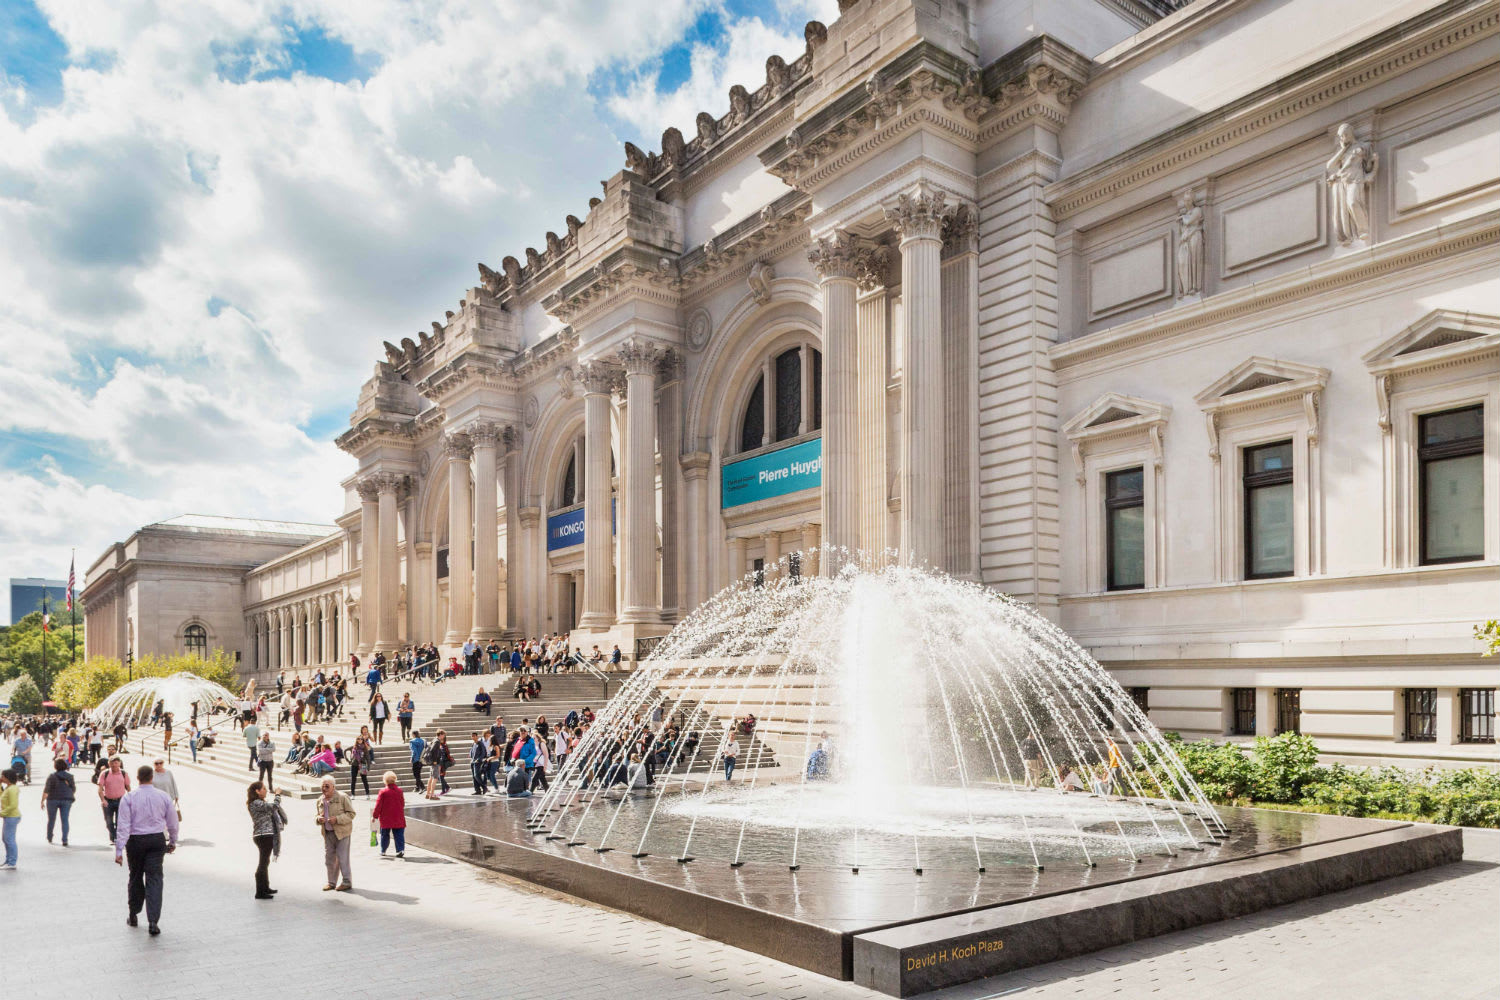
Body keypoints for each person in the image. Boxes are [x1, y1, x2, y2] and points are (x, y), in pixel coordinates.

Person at [116, 764, 179, 935]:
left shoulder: (129, 797)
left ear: (138, 778)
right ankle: (153, 921)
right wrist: (173, 841)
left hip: (135, 841)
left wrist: (119, 850)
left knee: (135, 877)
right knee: (155, 879)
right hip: (156, 839)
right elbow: (173, 822)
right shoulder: (163, 797)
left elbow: (123, 824)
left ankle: (133, 913)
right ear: (152, 777)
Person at [246, 781, 286, 899]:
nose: (266, 790)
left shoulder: (257, 802)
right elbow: (274, 806)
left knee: (265, 862)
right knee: (263, 863)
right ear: (257, 791)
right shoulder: (256, 803)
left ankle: (265, 887)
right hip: (263, 835)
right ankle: (260, 892)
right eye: (263, 788)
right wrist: (278, 795)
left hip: (265, 835)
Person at [314, 776, 356, 891]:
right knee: (329, 859)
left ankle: (347, 882)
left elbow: (351, 814)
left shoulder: (342, 797)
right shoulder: (320, 800)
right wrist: (318, 819)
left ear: (333, 787)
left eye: (327, 786)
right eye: (322, 786)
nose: (324, 788)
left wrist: (337, 819)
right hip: (327, 833)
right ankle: (331, 882)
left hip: (342, 833)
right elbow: (316, 815)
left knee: (343, 858)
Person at [41, 757, 76, 845]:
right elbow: (73, 789)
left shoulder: (52, 776)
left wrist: (42, 801)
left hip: (53, 799)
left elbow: (46, 790)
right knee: (65, 820)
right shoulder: (70, 776)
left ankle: (49, 837)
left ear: (55, 766)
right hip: (66, 799)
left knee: (51, 819)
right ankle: (65, 839)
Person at [371, 771, 406, 858]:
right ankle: (400, 850)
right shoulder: (399, 791)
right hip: (398, 816)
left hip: (386, 817)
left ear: (385, 781)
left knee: (385, 834)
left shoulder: (383, 792)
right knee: (399, 834)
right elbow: (402, 804)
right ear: (395, 780)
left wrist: (374, 816)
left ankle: (383, 850)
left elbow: (378, 805)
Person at [98, 756, 131, 842]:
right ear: (109, 764)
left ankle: (116, 837)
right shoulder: (104, 774)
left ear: (119, 763)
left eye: (116, 763)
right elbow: (100, 789)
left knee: (119, 821)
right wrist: (103, 800)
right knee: (108, 822)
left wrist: (130, 798)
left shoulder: (124, 773)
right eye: (112, 764)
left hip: (121, 800)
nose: (114, 765)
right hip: (108, 800)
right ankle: (113, 836)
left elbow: (128, 787)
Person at [0, 768, 20, 869]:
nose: (1, 778)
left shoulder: (12, 789)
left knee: (9, 839)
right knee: (5, 839)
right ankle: (8, 860)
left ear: (7, 778)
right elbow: (1, 796)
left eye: (2, 776)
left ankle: (12, 862)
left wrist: (2, 813)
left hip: (11, 816)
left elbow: (13, 805)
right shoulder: (8, 787)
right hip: (8, 816)